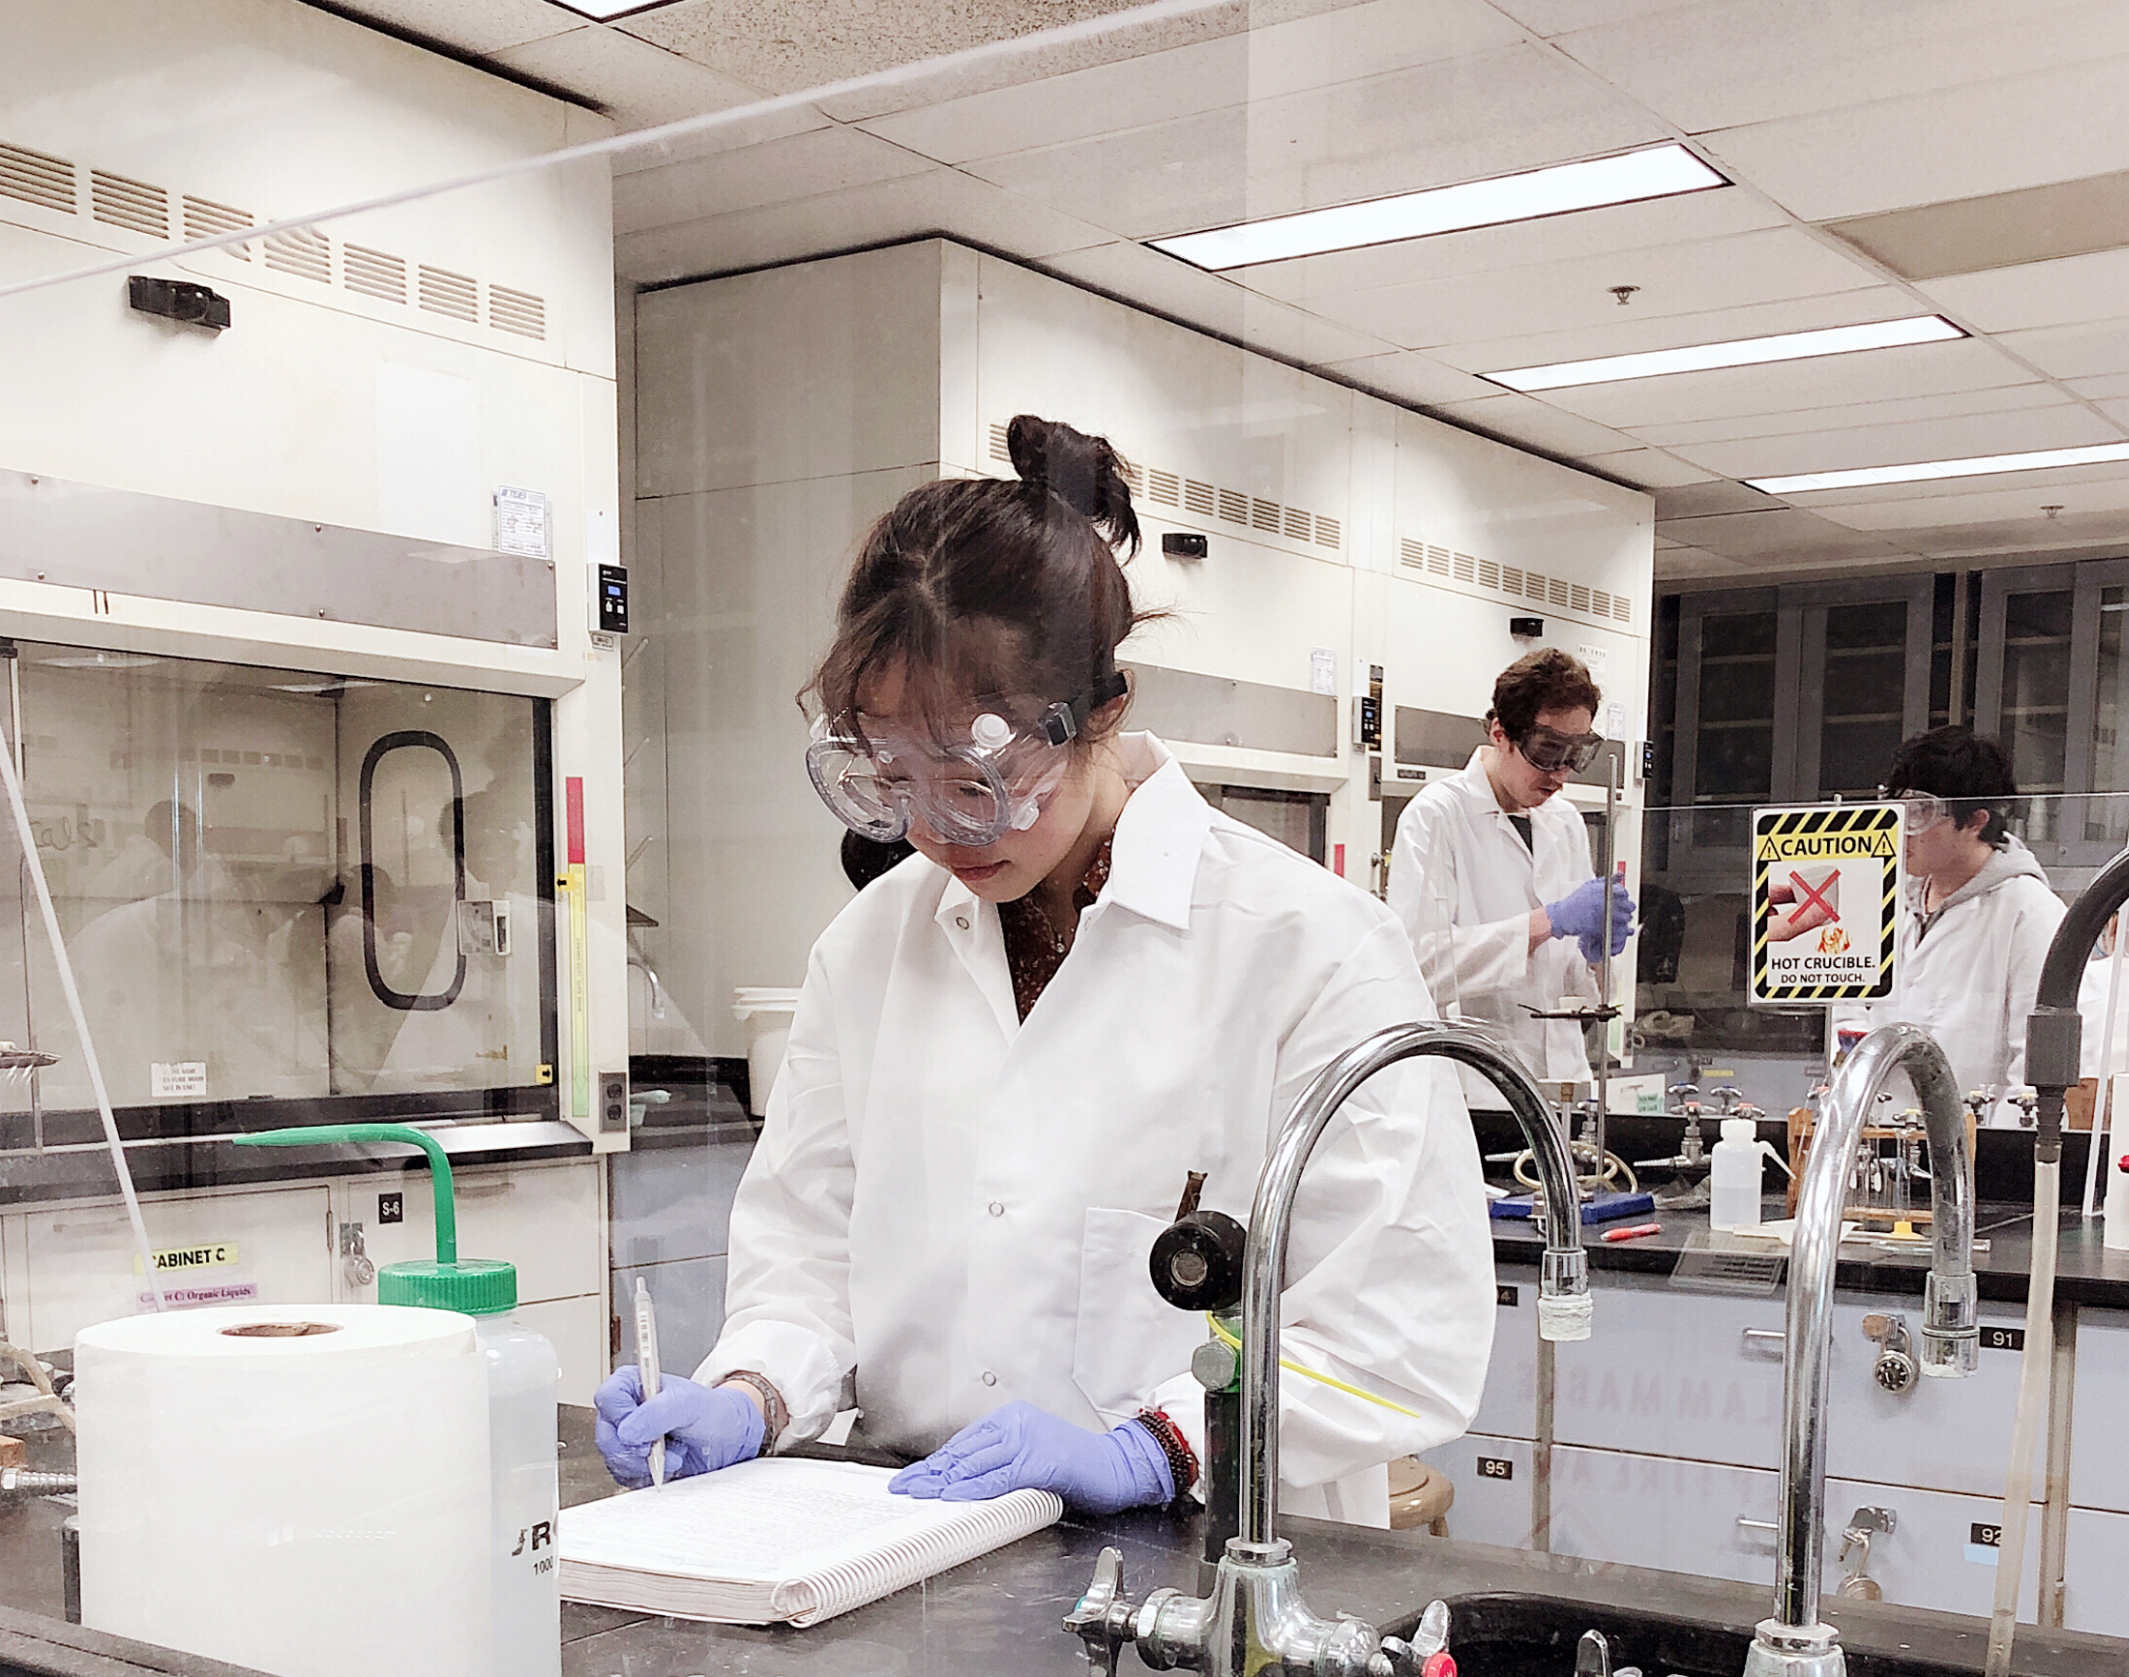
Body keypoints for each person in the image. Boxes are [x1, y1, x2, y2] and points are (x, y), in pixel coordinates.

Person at [589, 413, 1495, 1526]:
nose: (936, 828)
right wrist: (753, 1386)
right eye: (892, 778)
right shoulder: (869, 947)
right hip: (905, 1535)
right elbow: (810, 1249)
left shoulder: (1310, 946)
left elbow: (1401, 1323)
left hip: (1210, 1556)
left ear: (1103, 710)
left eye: (977, 777)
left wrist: (1157, 1446)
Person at [1378, 646, 1630, 1088]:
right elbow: (1418, 965)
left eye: (1576, 754)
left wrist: (1596, 957)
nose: (1560, 774)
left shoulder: (1565, 822)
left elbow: (1578, 990)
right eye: (1548, 751)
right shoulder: (1437, 815)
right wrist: (1545, 923)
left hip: (1564, 1087)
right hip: (1477, 1089)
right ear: (1501, 732)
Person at [1855, 724, 2067, 1114]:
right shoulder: (1885, 898)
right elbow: (1850, 1012)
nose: (1901, 830)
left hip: (1974, 1152)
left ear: (1975, 821)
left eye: (1919, 813)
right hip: (1877, 1142)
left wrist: (1992, 1157)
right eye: (1894, 807)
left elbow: (2035, 1076)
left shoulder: (2030, 913)